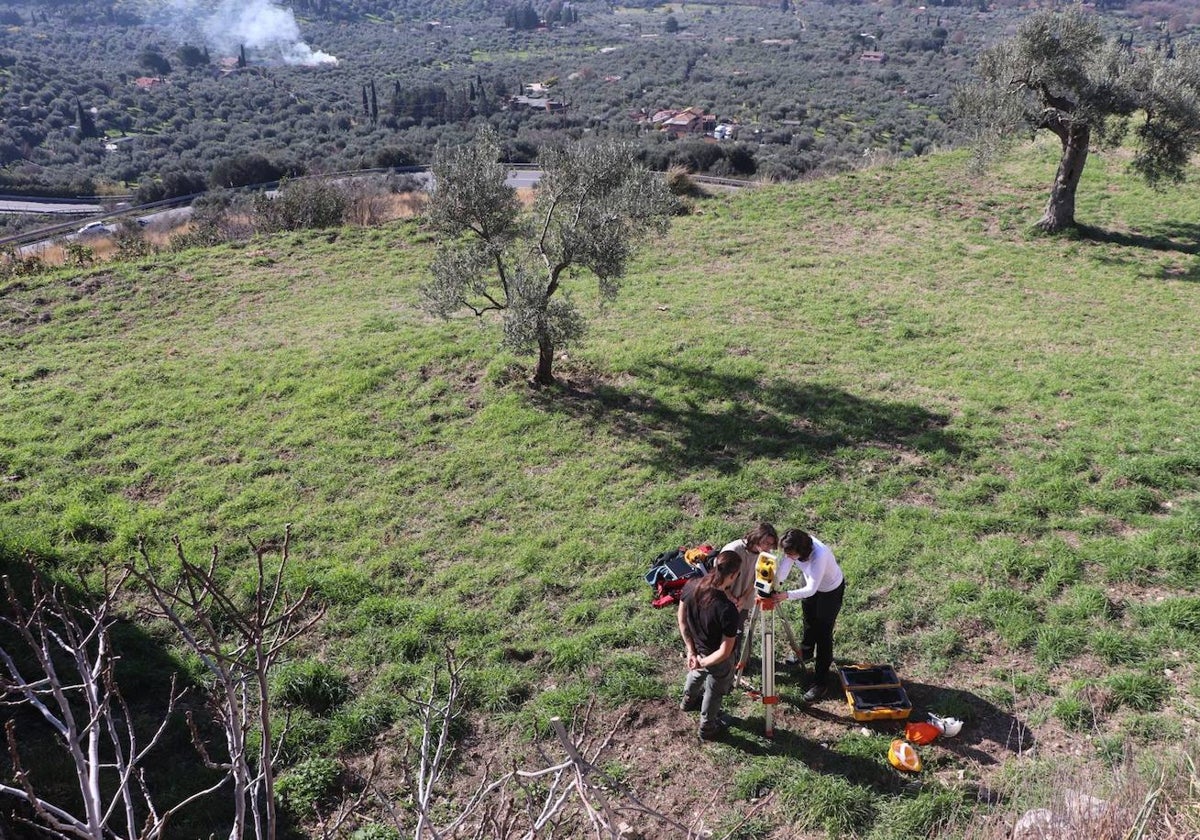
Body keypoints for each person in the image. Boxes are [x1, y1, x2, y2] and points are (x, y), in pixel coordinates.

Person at [771, 527, 845, 702]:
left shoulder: (819, 555)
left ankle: (821, 683)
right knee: (809, 621)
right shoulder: (795, 548)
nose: (788, 557)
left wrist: (786, 595)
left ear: (802, 551)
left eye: (791, 554)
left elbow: (811, 590)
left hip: (829, 591)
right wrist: (776, 583)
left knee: (823, 634)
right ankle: (806, 652)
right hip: (811, 582)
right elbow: (786, 565)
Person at [677, 550, 742, 740]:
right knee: (714, 692)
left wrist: (691, 651)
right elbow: (724, 651)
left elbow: (681, 619)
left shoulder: (691, 585)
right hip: (714, 659)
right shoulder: (727, 610)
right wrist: (703, 662)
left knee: (695, 673)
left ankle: (688, 701)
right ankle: (707, 727)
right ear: (732, 575)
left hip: (697, 650)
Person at [720, 522, 778, 663]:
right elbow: (719, 576)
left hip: (743, 599)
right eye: (765, 543)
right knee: (722, 631)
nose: (767, 547)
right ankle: (721, 660)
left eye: (771, 544)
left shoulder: (765, 556)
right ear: (756, 537)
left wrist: (744, 597)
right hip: (724, 597)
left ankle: (737, 661)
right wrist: (731, 597)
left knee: (738, 631)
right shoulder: (734, 549)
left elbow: (758, 580)